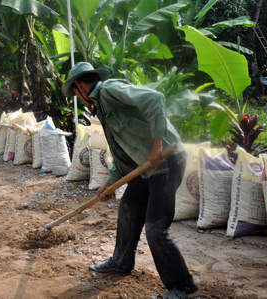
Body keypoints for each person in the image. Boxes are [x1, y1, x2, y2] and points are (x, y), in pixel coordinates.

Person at [61, 62, 201, 299]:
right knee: (128, 208)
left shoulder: (109, 90)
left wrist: (157, 144)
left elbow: (155, 98)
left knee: (155, 229)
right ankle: (121, 261)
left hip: (166, 160)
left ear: (79, 87)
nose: (77, 96)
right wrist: (110, 182)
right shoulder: (101, 108)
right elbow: (121, 151)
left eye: (74, 92)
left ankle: (185, 288)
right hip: (146, 167)